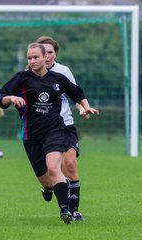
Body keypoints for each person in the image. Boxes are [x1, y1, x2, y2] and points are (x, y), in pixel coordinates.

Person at [0, 43, 98, 224]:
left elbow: (77, 92)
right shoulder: (22, 78)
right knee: (46, 181)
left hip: (55, 131)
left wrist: (86, 107)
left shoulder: (58, 78)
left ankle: (65, 210)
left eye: (35, 57)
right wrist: (11, 98)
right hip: (31, 135)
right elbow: (1, 98)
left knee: (54, 167)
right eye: (29, 58)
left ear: (46, 57)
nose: (32, 61)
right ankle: (48, 188)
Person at [36, 36, 88, 221]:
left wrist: (82, 108)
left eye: (51, 52)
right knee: (51, 172)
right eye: (44, 52)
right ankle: (48, 186)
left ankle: (73, 210)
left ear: (55, 54)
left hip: (65, 125)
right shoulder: (30, 72)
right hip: (43, 130)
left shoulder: (63, 71)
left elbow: (75, 95)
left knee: (70, 165)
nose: (47, 56)